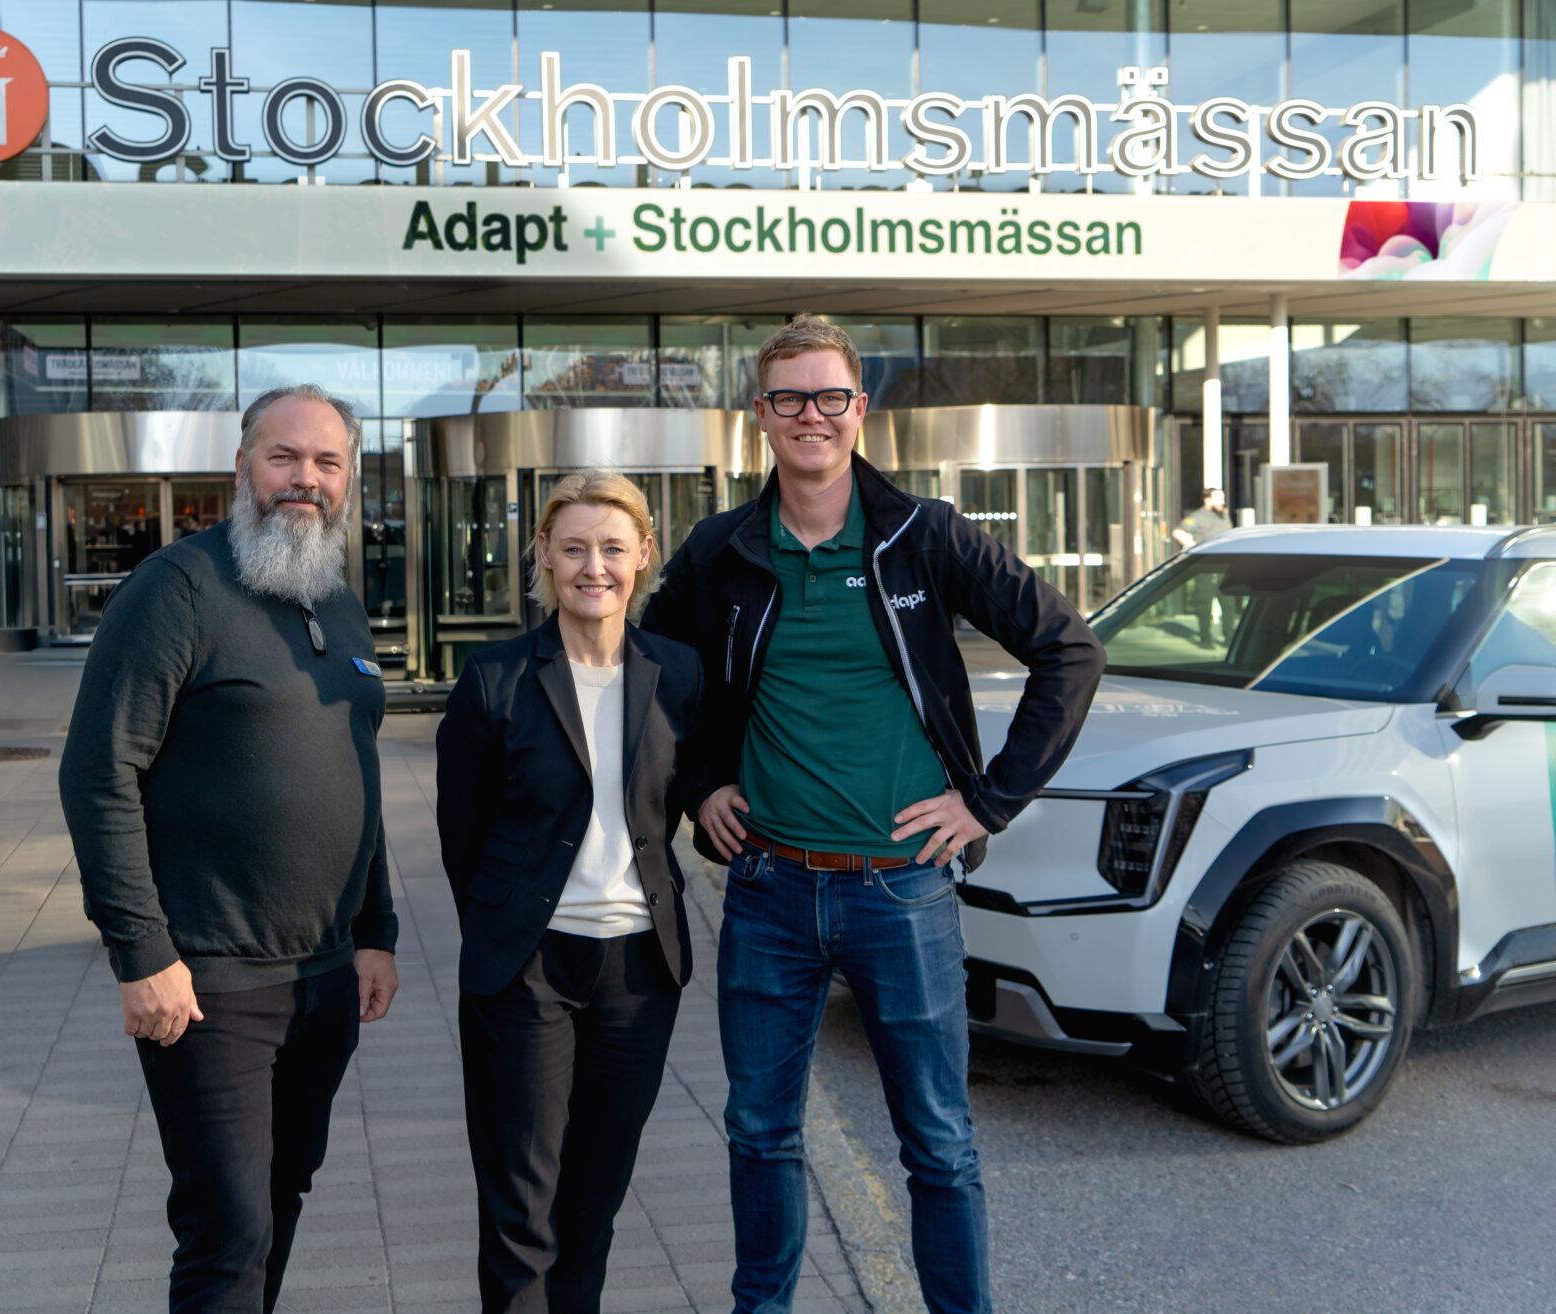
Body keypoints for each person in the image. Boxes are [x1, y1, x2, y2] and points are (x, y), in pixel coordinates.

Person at [641, 316, 1104, 1314]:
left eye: (831, 396)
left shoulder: (922, 536)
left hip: (901, 893)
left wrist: (988, 801)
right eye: (789, 398)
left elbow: (1070, 649)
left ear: (861, 410)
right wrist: (697, 784)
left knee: (937, 1143)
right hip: (767, 892)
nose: (812, 414)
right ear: (758, 416)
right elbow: (650, 678)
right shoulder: (721, 550)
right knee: (759, 1132)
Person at [58, 384, 400, 1314]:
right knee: (227, 1229)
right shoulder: (177, 589)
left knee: (280, 1201)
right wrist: (143, 953)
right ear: (241, 466)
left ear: (349, 480)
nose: (306, 479)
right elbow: (97, 775)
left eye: (328, 463)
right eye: (284, 457)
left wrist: (378, 927)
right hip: (209, 981)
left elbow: (355, 776)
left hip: (325, 978)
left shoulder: (335, 598)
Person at [436, 471, 707, 1314]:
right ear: (544, 558)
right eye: (576, 548)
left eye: (614, 549)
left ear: (643, 559)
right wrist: (507, 932)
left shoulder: (679, 674)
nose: (596, 566)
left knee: (592, 1208)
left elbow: (690, 792)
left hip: (638, 974)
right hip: (528, 975)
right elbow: (462, 840)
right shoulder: (495, 679)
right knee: (522, 1214)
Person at [1173, 489, 1232, 648]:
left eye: (1223, 498)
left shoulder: (1224, 515)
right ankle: (1205, 639)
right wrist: (1195, 548)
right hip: (1206, 568)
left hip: (1225, 567)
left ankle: (1230, 639)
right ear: (1207, 500)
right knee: (1204, 604)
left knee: (1228, 604)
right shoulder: (1198, 517)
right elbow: (1178, 531)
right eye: (1219, 498)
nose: (1223, 501)